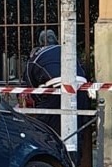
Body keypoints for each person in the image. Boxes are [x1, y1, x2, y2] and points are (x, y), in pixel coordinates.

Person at [23, 29, 90, 159]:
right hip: (81, 89)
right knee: (76, 130)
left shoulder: (35, 57)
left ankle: (56, 161)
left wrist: (39, 101)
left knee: (49, 130)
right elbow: (82, 69)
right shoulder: (67, 50)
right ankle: (75, 163)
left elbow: (31, 85)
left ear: (41, 42)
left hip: (55, 93)